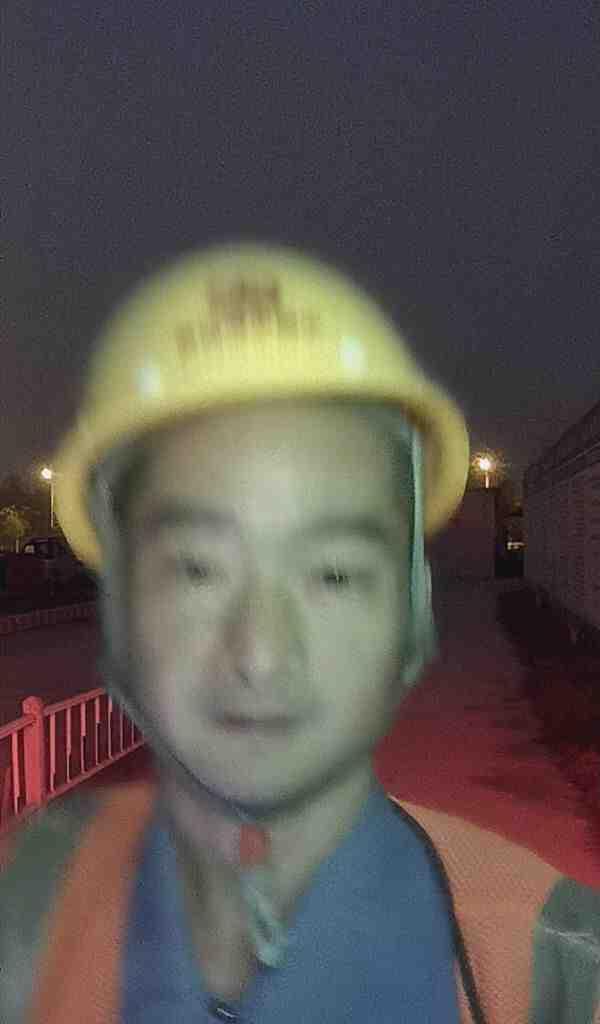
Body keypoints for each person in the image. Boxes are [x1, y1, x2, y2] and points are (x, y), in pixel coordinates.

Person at [1, 244, 599, 1024]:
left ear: (412, 615)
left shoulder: (550, 964)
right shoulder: (25, 923)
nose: (261, 655)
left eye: (333, 573)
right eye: (195, 569)